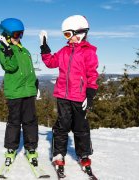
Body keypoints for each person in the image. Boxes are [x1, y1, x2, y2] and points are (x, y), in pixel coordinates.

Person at [39, 15, 99, 176]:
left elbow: (92, 74)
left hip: (79, 97)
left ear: (79, 33)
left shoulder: (89, 53)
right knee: (62, 126)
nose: (67, 39)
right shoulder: (64, 51)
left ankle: (84, 154)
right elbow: (51, 62)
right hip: (63, 96)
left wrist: (90, 94)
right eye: (64, 35)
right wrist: (44, 48)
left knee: (81, 127)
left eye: (67, 34)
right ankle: (59, 154)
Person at [0, 18, 39, 167]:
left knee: (30, 122)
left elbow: (30, 71)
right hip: (15, 93)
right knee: (14, 122)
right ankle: (11, 148)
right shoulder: (4, 51)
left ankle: (31, 148)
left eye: (21, 34)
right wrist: (8, 50)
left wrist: (35, 84)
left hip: (28, 92)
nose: (19, 37)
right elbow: (11, 67)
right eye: (16, 34)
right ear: (7, 35)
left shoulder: (24, 50)